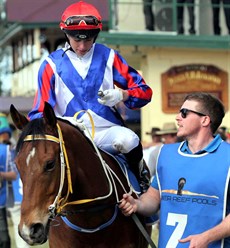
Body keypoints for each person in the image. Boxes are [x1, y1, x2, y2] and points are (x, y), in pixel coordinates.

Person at [28, 1, 153, 192]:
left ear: (96, 35)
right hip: (68, 135)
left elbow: (145, 92)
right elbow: (39, 111)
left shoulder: (110, 56)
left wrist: (123, 95)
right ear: (66, 34)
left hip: (106, 132)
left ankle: (141, 179)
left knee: (130, 140)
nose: (82, 45)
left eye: (88, 39)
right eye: (76, 39)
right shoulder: (50, 64)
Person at [119, 92, 230, 247]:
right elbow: (153, 197)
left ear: (205, 120)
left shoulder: (227, 156)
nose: (178, 117)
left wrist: (207, 237)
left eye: (184, 113)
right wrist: (137, 204)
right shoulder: (165, 153)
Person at [0, 113, 17, 248]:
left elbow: (14, 174)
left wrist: (2, 175)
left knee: (4, 239)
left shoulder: (8, 150)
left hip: (3, 200)